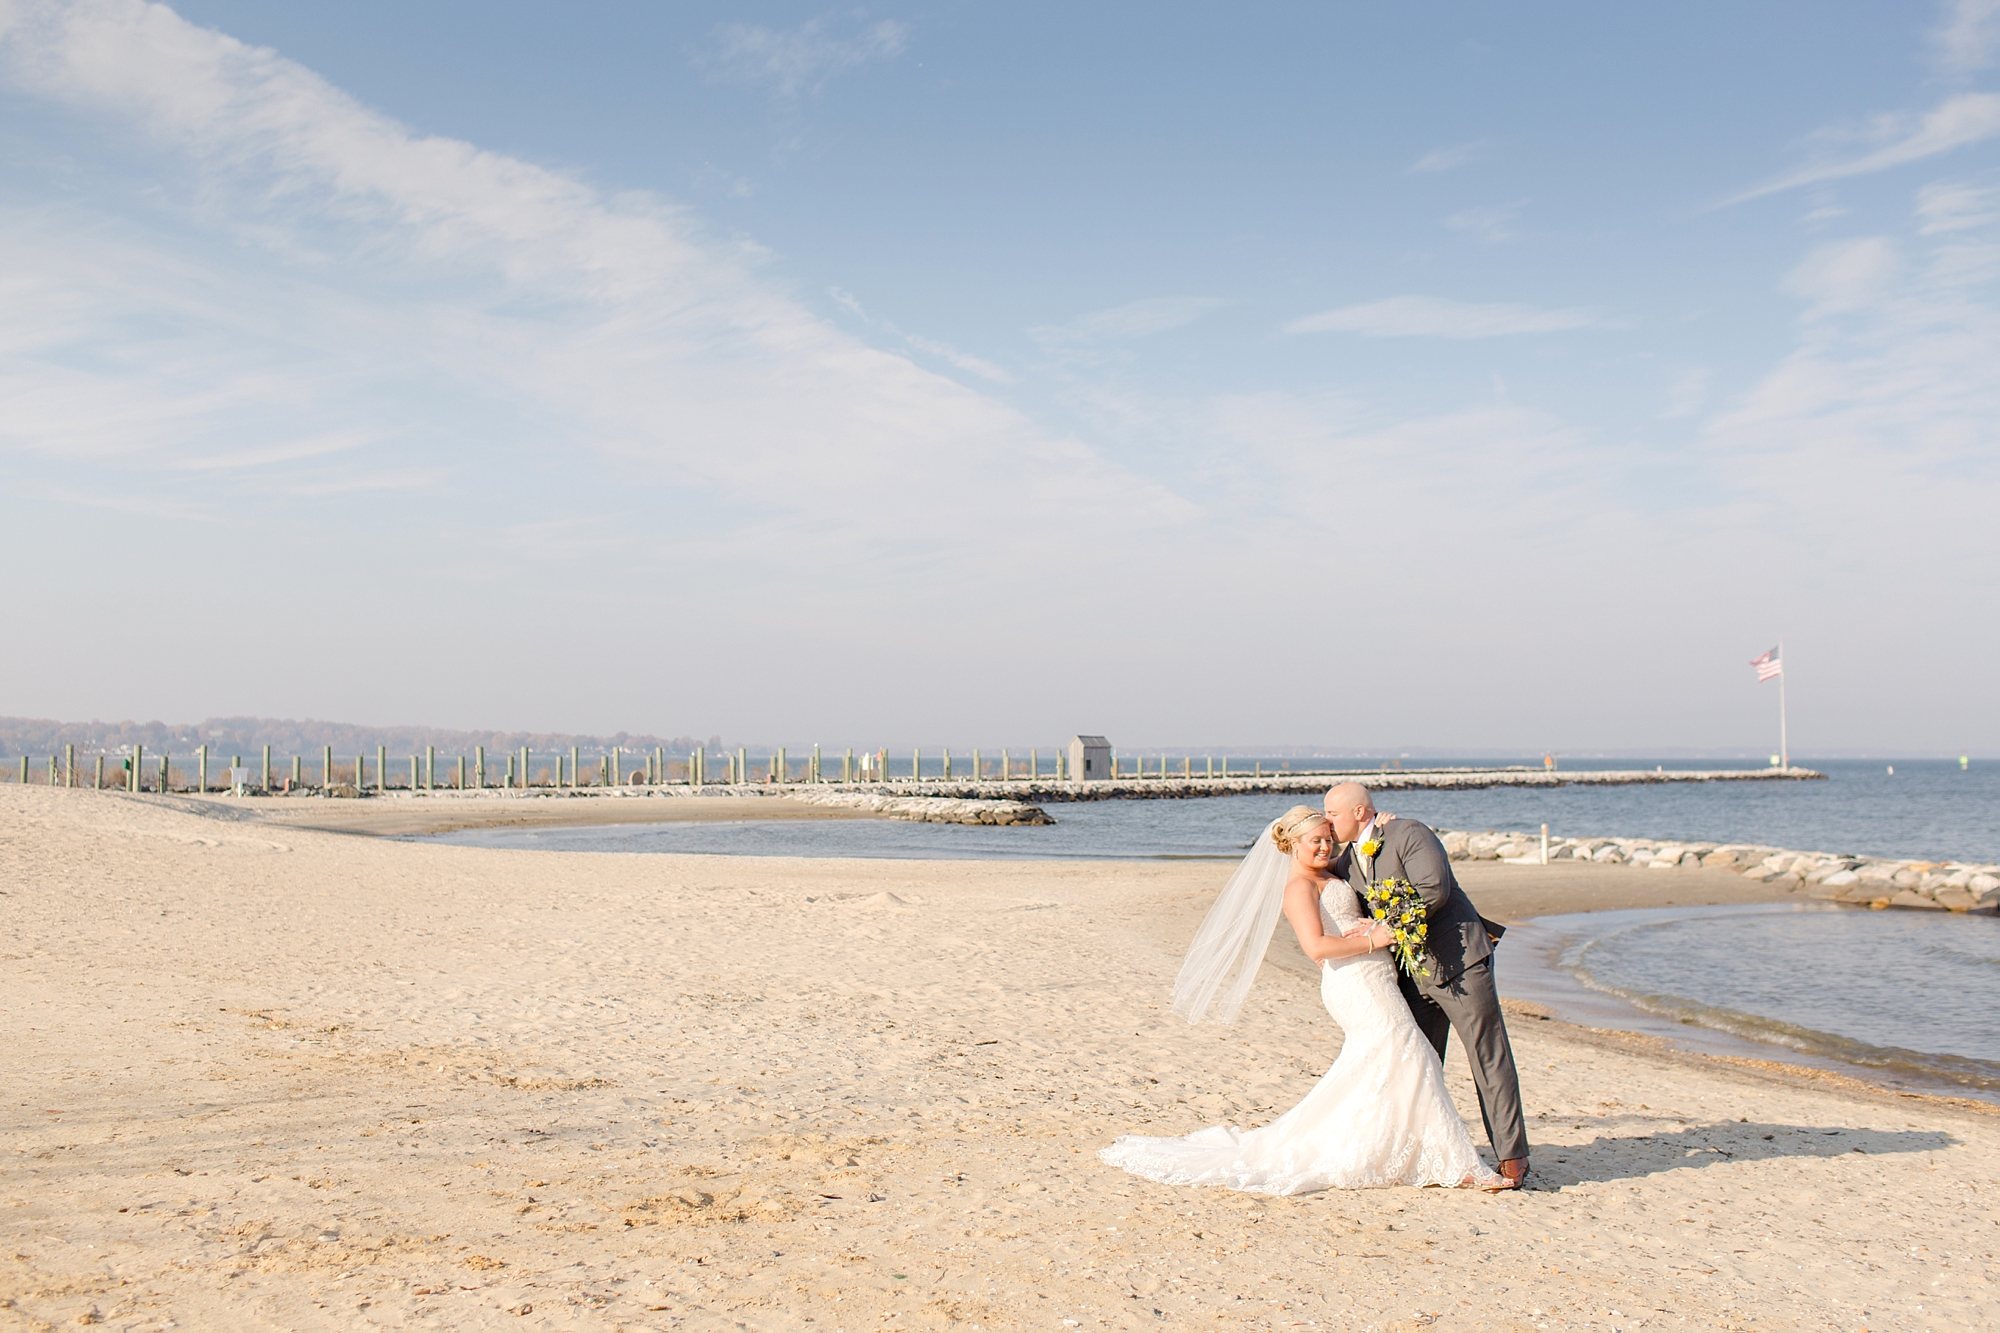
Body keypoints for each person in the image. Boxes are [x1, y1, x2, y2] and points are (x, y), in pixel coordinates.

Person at [1098, 806, 1510, 1194]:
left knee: (1391, 1060)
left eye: (1328, 839)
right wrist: (1376, 938)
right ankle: (1451, 1163)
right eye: (1314, 841)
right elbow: (1316, 947)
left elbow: (1368, 857)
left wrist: (1384, 828)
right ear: (1291, 844)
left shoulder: (1332, 874)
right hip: (1355, 984)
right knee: (1411, 1051)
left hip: (1376, 977)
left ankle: (1403, 1149)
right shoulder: (1298, 887)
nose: (1324, 847)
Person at [1324, 781, 1529, 1185]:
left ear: (1360, 812)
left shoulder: (1408, 833)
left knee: (1487, 1055)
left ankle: (1512, 1157)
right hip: (1412, 974)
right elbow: (1314, 871)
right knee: (1418, 1063)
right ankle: (1421, 1152)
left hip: (1460, 963)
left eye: (1332, 813)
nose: (1329, 823)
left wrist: (1385, 924)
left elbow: (1434, 890)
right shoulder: (1347, 862)